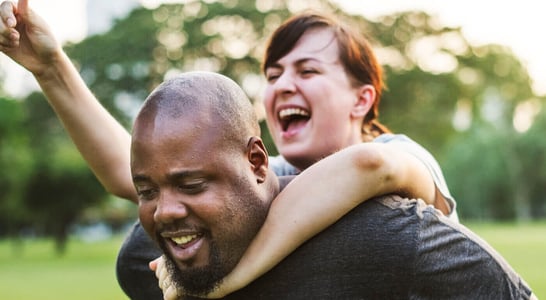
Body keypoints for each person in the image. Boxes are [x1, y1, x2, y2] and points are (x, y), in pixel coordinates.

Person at [0, 1, 456, 298]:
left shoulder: (402, 152)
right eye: (273, 74)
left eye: (308, 71)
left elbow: (369, 166)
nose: (283, 85)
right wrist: (50, 66)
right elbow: (136, 174)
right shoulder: (269, 177)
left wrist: (218, 285)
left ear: (362, 99)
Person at [133, 71, 534, 299]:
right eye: (147, 192)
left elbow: (370, 163)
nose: (165, 210)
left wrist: (228, 283)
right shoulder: (153, 262)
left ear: (257, 163)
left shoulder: (384, 233)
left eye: (193, 184)